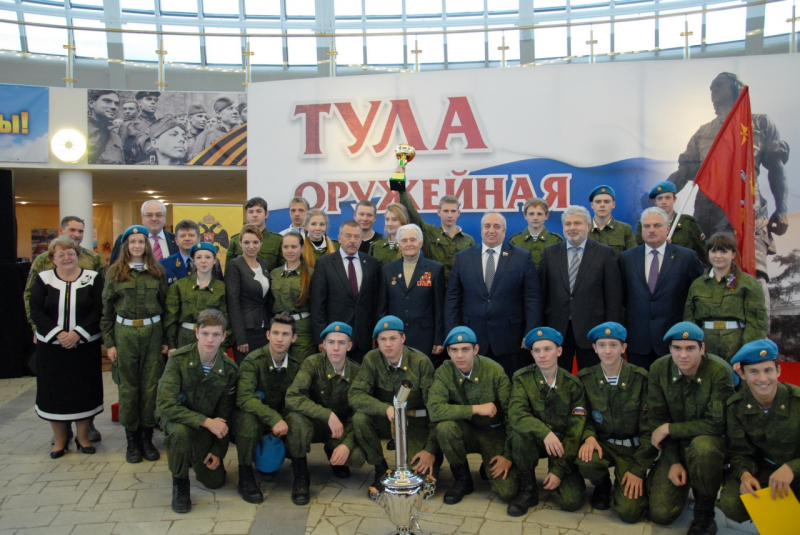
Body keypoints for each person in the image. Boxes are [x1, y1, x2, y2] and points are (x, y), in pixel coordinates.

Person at [667, 72, 790, 313]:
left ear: (736, 88)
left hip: (747, 213)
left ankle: (758, 335)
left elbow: (777, 168)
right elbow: (683, 173)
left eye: (720, 86)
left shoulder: (759, 124)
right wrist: (660, 194)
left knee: (754, 275)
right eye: (711, 88)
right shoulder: (703, 133)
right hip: (708, 214)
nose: (714, 92)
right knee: (708, 277)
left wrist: (782, 209)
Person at [646, 322, 735, 534]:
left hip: (708, 444)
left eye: (690, 348)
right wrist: (673, 461)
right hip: (675, 447)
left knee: (704, 449)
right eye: (677, 348)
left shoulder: (719, 371)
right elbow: (657, 419)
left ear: (702, 348)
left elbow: (717, 424)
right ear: (670, 349)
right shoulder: (659, 369)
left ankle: (705, 511)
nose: (683, 355)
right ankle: (682, 477)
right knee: (661, 514)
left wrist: (670, 428)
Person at [25, 216, 106, 444]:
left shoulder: (94, 266)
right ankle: (61, 437)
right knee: (55, 390)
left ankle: (84, 435)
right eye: (61, 255)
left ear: (77, 255)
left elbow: (101, 306)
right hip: (52, 345)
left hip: (84, 343)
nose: (66, 257)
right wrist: (53, 333)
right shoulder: (42, 271)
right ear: (53, 258)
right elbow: (33, 304)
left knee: (84, 389)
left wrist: (78, 333)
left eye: (70, 254)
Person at [155, 309, 238, 514]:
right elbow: (166, 405)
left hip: (204, 427)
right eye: (205, 333)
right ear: (196, 333)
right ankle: (180, 484)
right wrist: (206, 422)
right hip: (176, 419)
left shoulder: (229, 369)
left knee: (215, 481)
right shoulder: (178, 359)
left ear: (224, 336)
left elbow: (224, 414)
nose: (210, 340)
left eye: (216, 334)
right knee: (180, 433)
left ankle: (193, 453)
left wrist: (218, 451)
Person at [575, 322, 656, 523]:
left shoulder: (640, 378)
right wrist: (589, 437)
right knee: (587, 460)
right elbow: (581, 415)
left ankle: (639, 482)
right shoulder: (585, 379)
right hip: (603, 445)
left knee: (630, 513)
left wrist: (638, 469)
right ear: (594, 348)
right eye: (602, 345)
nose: (607, 351)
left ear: (623, 347)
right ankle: (602, 485)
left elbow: (650, 428)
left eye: (613, 345)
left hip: (631, 450)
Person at [349, 316, 439, 497]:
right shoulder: (372, 359)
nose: (388, 344)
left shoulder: (420, 362)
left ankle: (434, 458)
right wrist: (387, 409)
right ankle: (380, 469)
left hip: (415, 423)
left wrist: (430, 449)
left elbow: (435, 408)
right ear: (377, 342)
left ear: (403, 338)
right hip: (388, 420)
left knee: (418, 483)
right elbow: (355, 395)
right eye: (382, 339)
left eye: (393, 338)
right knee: (360, 418)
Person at [101, 225, 169, 464]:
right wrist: (110, 344)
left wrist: (165, 340)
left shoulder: (157, 271)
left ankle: (147, 439)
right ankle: (132, 441)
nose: (137, 246)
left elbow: (166, 307)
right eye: (132, 242)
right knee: (128, 389)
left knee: (151, 387)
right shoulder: (115, 272)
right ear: (126, 246)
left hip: (152, 333)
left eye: (141, 242)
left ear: (146, 245)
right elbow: (107, 311)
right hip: (125, 334)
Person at [428, 326, 519, 505]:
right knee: (445, 428)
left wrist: (508, 455)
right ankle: (462, 479)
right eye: (454, 350)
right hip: (464, 432)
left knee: (508, 491)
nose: (459, 355)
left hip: (493, 433)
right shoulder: (444, 372)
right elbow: (434, 409)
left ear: (475, 349)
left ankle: (487, 464)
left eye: (465, 349)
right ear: (448, 352)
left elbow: (512, 413)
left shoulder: (493, 370)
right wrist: (475, 409)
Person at [445, 212, 542, 377]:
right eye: (487, 226)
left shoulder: (522, 257)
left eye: (497, 226)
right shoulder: (463, 258)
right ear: (481, 230)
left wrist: (530, 333)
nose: (491, 230)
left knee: (510, 385)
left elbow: (532, 299)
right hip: (472, 338)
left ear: (504, 231)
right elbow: (452, 299)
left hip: (511, 339)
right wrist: (454, 333)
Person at [506, 327, 587, 517]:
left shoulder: (573, 385)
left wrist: (559, 470)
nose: (542, 355)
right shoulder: (522, 379)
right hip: (534, 441)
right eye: (536, 350)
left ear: (559, 351)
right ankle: (528, 489)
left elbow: (575, 431)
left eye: (547, 349)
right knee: (519, 434)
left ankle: (558, 475)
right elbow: (517, 415)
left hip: (562, 446)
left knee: (571, 501)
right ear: (532, 353)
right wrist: (545, 433)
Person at [718, 339, 800, 525]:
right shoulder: (736, 407)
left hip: (797, 469)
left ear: (778, 371)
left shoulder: (797, 401)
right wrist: (745, 475)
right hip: (764, 470)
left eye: (768, 370)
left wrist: (791, 468)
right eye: (754, 372)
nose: (762, 379)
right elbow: (740, 452)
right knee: (731, 503)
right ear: (742, 374)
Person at [284, 322, 367, 505]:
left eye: (341, 343)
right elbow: (293, 397)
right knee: (295, 420)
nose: (336, 348)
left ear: (350, 346)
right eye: (331, 342)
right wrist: (327, 415)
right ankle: (301, 476)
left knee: (356, 457)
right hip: (312, 423)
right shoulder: (312, 363)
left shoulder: (357, 372)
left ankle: (333, 451)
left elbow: (360, 412)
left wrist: (346, 444)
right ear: (323, 345)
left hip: (338, 429)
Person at [538, 206, 622, 372]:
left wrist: (611, 332)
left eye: (577, 223)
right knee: (559, 378)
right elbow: (542, 294)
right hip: (557, 328)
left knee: (591, 378)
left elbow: (613, 296)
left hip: (592, 328)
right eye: (568, 224)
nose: (572, 228)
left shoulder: (605, 253)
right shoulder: (549, 253)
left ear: (588, 226)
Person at [619, 207, 704, 370]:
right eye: (647, 226)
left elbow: (696, 297)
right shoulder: (627, 258)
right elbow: (622, 297)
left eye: (657, 225)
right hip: (638, 340)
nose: (651, 230)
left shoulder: (686, 257)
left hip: (675, 339)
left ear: (667, 228)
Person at [232, 312, 301, 504]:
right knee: (247, 419)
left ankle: (300, 472)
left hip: (279, 424)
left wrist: (283, 420)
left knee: (299, 420)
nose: (280, 339)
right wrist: (273, 418)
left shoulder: (295, 366)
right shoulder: (253, 361)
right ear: (268, 335)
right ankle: (245, 476)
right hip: (255, 420)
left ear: (293, 338)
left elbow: (297, 399)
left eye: (285, 334)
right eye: (276, 333)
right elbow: (244, 398)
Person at [684, 232, 768, 362]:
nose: (718, 256)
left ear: (733, 254)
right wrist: (693, 348)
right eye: (713, 251)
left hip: (737, 345)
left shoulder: (748, 283)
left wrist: (746, 353)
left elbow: (756, 323)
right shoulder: (698, 284)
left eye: (723, 251)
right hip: (705, 346)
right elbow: (690, 320)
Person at [310, 220, 380, 363]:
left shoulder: (371, 263)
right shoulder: (324, 263)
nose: (352, 241)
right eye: (348, 236)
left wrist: (376, 333)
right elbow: (317, 304)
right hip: (335, 338)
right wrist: (321, 337)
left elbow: (375, 302)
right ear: (340, 238)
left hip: (364, 338)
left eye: (356, 237)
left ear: (361, 239)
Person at [378, 224, 445, 364]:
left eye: (413, 239)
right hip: (394, 336)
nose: (409, 244)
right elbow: (382, 308)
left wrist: (439, 339)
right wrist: (382, 335)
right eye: (404, 240)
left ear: (421, 242)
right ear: (399, 243)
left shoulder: (435, 269)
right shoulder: (387, 270)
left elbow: (439, 308)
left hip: (425, 337)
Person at [164, 242, 230, 354]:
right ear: (193, 261)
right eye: (199, 257)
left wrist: (223, 347)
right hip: (185, 339)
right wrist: (171, 345)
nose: (203, 261)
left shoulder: (222, 288)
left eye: (208, 257)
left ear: (215, 260)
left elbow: (227, 319)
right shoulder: (180, 286)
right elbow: (171, 318)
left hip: (212, 341)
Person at [399, 191, 475, 282]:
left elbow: (473, 270)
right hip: (431, 286)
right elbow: (413, 216)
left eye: (453, 211)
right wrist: (402, 193)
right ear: (439, 212)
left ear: (458, 213)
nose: (449, 215)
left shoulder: (468, 240)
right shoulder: (429, 232)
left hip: (458, 288)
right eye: (446, 211)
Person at [225, 225, 273, 365]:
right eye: (246, 242)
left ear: (261, 243)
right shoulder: (234, 265)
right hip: (246, 330)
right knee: (246, 370)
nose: (251, 246)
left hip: (264, 328)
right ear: (240, 243)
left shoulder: (264, 264)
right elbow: (233, 302)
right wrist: (240, 338)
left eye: (255, 242)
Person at [635, 181, 707, 264]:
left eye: (668, 198)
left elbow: (705, 253)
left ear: (674, 199)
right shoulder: (645, 224)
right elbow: (639, 253)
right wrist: (657, 245)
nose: (664, 202)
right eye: (660, 198)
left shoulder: (689, 223)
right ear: (655, 201)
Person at [270, 232, 315, 362]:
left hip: (303, 331)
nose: (289, 251)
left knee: (302, 366)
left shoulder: (311, 274)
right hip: (279, 329)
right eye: (286, 247)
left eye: (294, 247)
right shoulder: (274, 274)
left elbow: (318, 306)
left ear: (302, 248)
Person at [110, 200, 178, 264]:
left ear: (165, 217)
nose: (154, 219)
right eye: (149, 215)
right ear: (142, 218)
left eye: (159, 215)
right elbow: (114, 268)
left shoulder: (176, 240)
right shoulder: (125, 239)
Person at [225, 197, 283, 271]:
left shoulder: (278, 240)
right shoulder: (235, 240)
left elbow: (282, 270)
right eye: (250, 212)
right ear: (246, 215)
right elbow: (228, 271)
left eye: (259, 211)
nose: (254, 215)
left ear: (266, 214)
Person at [160, 219, 223, 285]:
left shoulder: (212, 263)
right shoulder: (164, 265)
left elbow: (219, 287)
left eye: (191, 235)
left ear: (199, 239)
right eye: (182, 236)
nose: (187, 239)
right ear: (176, 240)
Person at [509, 197, 564, 270]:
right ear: (525, 216)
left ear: (546, 216)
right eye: (531, 214)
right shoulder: (515, 241)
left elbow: (561, 268)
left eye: (539, 214)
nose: (535, 217)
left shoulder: (556, 240)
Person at [587, 185, 637, 258]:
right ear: (592, 205)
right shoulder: (584, 229)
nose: (602, 205)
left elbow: (633, 257)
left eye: (606, 202)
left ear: (613, 204)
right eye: (598, 202)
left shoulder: (625, 229)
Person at [119, 90, 160, 164]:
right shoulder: (128, 125)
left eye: (155, 100)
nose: (153, 102)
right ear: (139, 103)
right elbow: (120, 153)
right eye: (149, 99)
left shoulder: (161, 124)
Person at [87, 89, 123, 165]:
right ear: (91, 103)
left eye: (116, 103)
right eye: (107, 101)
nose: (114, 107)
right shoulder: (81, 130)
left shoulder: (115, 136)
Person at [368, 203, 408, 269]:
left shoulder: (410, 245)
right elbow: (369, 271)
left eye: (394, 219)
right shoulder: (376, 245)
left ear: (403, 221)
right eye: (387, 219)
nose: (389, 224)